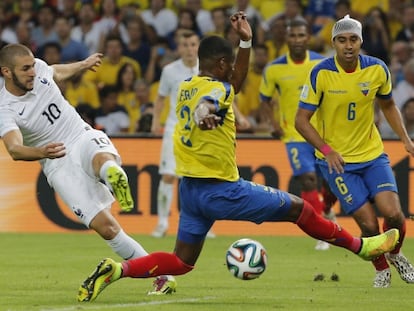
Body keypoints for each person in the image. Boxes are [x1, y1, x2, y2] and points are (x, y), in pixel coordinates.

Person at [77, 12, 399, 302]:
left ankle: (118, 270)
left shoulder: (187, 87)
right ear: (220, 65)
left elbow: (230, 85)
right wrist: (208, 114)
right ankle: (364, 247)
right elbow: (214, 101)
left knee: (182, 261)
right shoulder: (215, 92)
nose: (232, 70)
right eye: (229, 65)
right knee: (300, 208)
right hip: (222, 189)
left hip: (190, 191)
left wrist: (245, 43)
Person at [0, 43, 177, 296]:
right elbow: (15, 149)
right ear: (7, 72)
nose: (33, 72)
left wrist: (82, 65)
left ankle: (111, 173)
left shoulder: (39, 69)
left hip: (78, 133)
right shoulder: (4, 107)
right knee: (107, 228)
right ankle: (162, 276)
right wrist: (42, 152)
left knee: (99, 157)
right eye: (25, 69)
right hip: (56, 162)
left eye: (32, 66)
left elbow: (55, 71)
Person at [295, 15, 414, 288]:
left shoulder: (377, 69)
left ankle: (395, 255)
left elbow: (387, 105)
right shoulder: (320, 73)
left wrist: (406, 139)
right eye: (342, 40)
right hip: (337, 163)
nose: (348, 45)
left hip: (372, 155)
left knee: (394, 213)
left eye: (353, 39)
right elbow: (300, 121)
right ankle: (381, 268)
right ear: (333, 43)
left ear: (361, 41)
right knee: (369, 224)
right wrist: (327, 150)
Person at [259, 18, 336, 251]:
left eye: (301, 35)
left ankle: (327, 209)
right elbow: (264, 100)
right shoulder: (274, 69)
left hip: (322, 133)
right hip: (294, 135)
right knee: (309, 179)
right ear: (286, 38)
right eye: (292, 36)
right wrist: (273, 123)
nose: (297, 40)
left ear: (308, 37)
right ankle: (322, 231)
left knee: (333, 183)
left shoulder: (323, 64)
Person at [150, 29, 206, 238]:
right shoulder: (170, 71)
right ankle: (162, 223)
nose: (190, 49)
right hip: (175, 129)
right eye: (185, 45)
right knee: (168, 176)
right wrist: (156, 121)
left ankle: (201, 224)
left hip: (201, 131)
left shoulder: (207, 69)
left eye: (193, 44)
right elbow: (160, 99)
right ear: (179, 48)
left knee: (200, 179)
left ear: (198, 46)